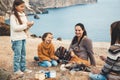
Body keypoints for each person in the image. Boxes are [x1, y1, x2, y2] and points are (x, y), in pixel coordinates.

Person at [10, 0, 33, 75]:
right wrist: (26, 25)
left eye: (24, 6)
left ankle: (23, 68)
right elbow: (15, 28)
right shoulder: (13, 16)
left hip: (23, 37)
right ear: (16, 7)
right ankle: (16, 70)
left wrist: (29, 25)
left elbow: (24, 28)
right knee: (17, 55)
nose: (23, 8)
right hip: (16, 39)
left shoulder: (23, 14)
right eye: (21, 6)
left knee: (23, 54)